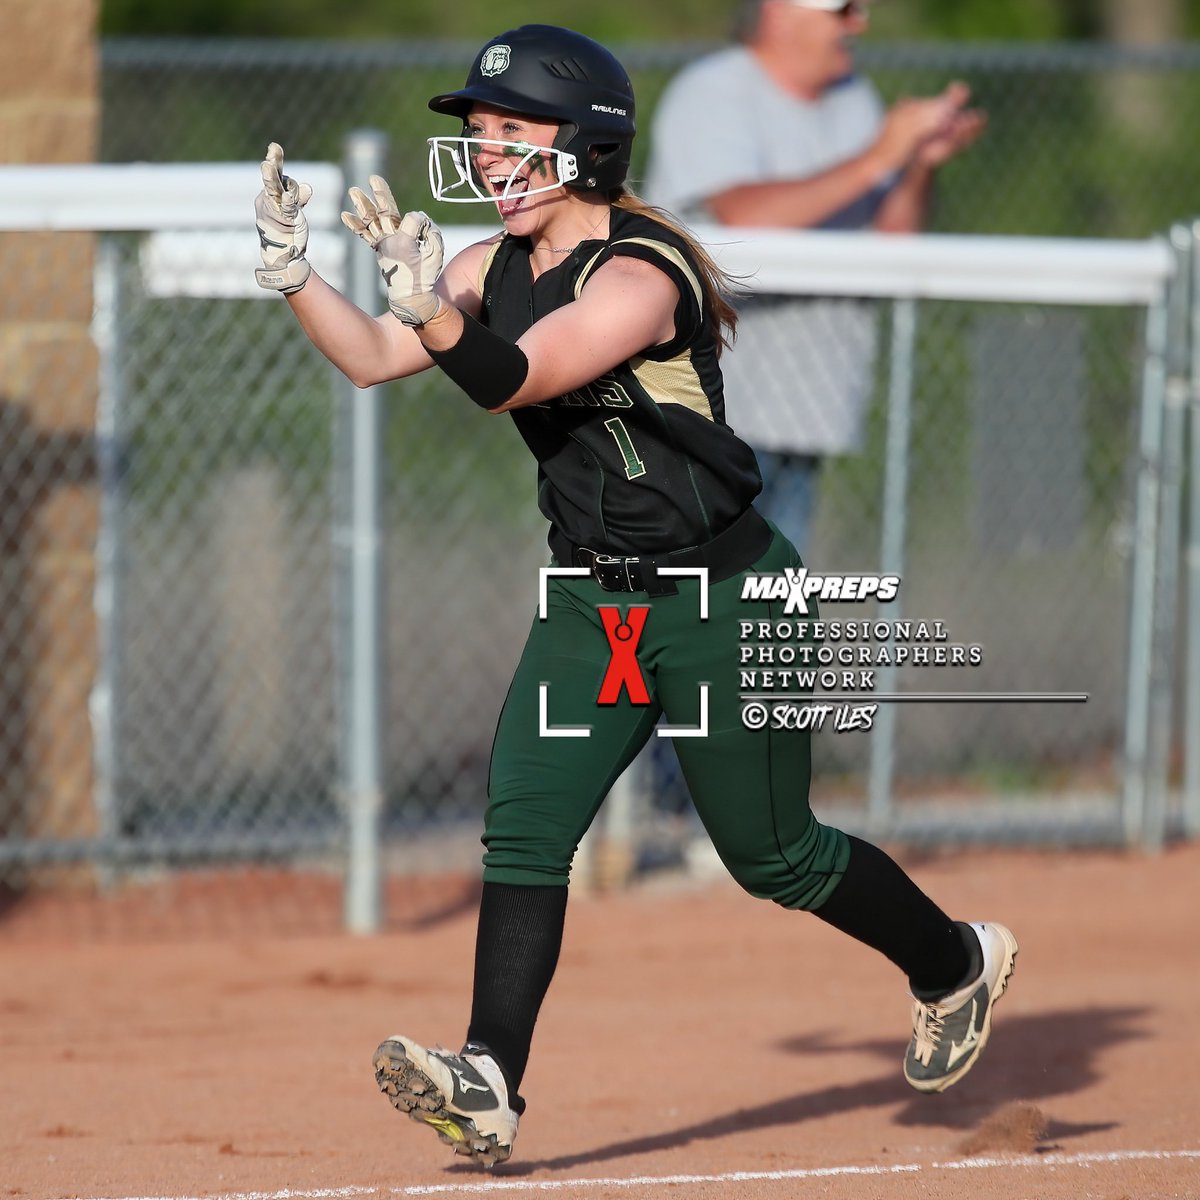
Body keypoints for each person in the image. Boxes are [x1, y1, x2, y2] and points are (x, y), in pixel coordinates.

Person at [252, 24, 1016, 1170]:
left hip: (727, 598)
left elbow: (518, 378)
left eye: (516, 132)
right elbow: (368, 356)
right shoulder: (479, 269)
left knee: (776, 859)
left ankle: (955, 961)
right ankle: (490, 1082)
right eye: (483, 134)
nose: (490, 154)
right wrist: (294, 273)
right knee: (525, 825)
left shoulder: (644, 270)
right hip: (594, 604)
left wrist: (434, 316)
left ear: (589, 146)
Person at [644, 0, 986, 554]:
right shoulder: (713, 91)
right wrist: (880, 157)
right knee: (696, 614)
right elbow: (745, 220)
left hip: (806, 418)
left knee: (770, 618)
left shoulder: (854, 97)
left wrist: (917, 163)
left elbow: (892, 239)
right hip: (707, 421)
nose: (858, 24)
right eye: (843, 11)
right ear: (779, 12)